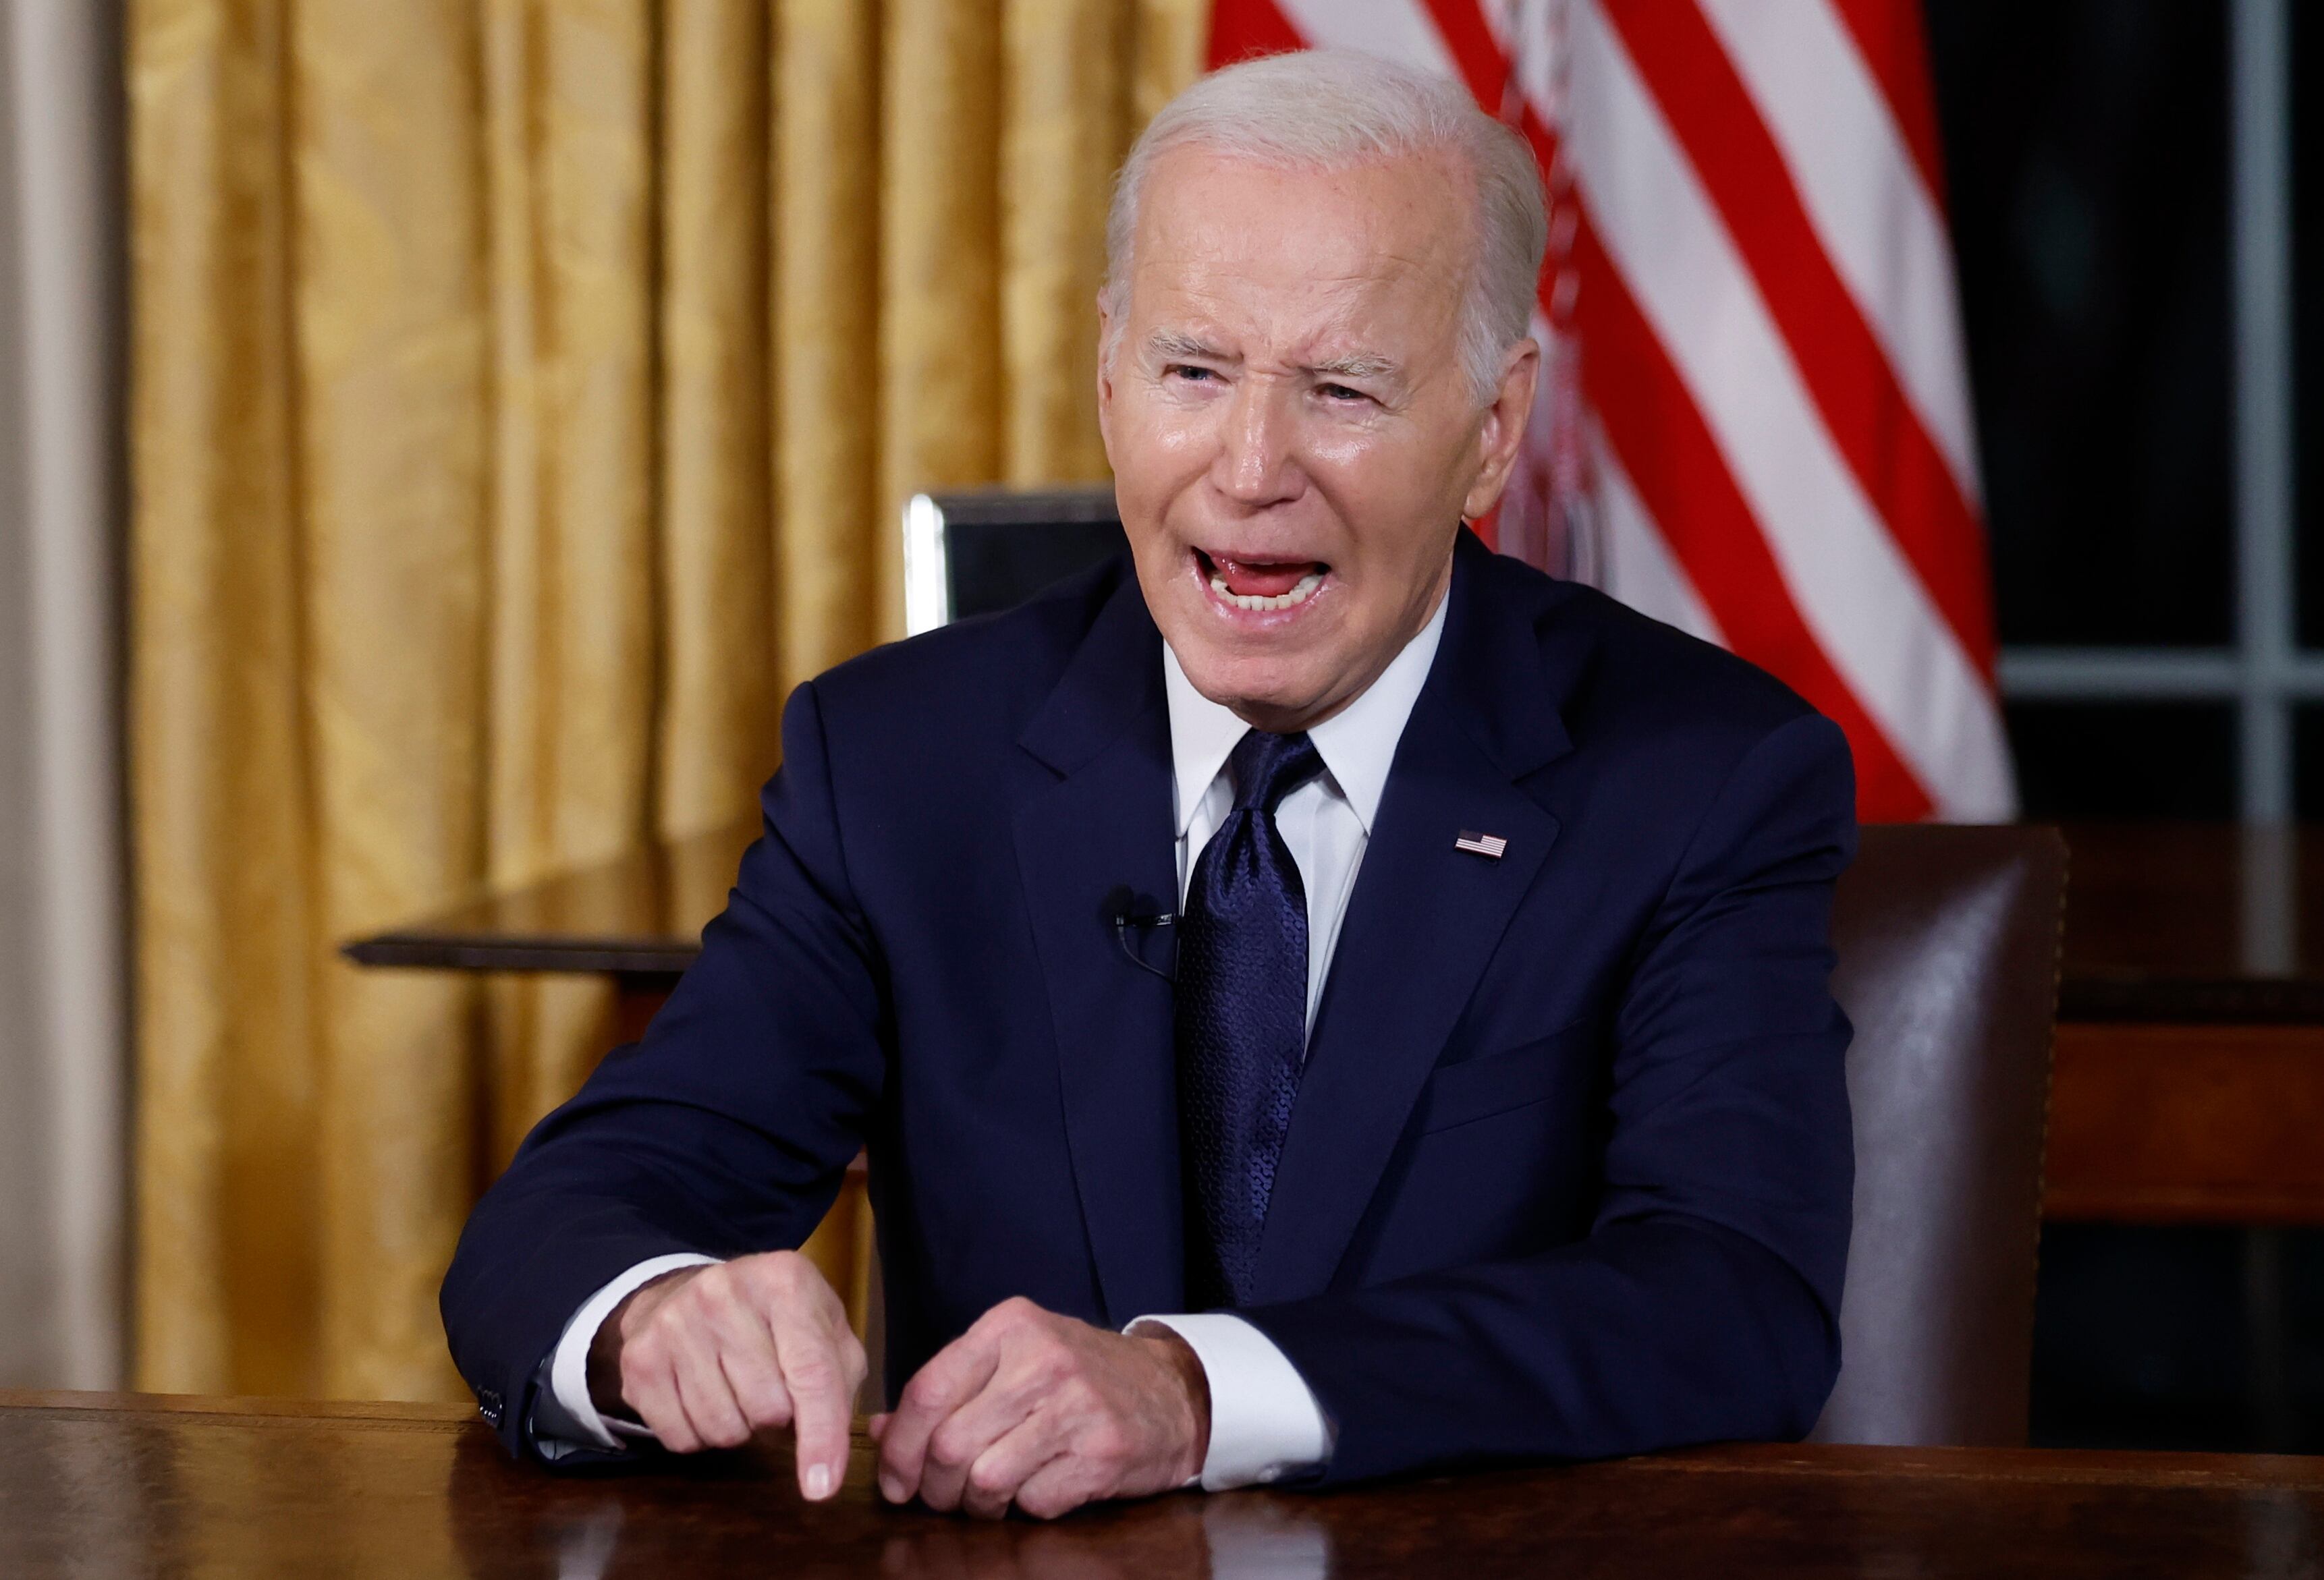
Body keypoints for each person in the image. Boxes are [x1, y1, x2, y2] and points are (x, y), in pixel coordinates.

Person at [441, 48, 1856, 1521]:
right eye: (1195, 372)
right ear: (1110, 378)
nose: (1250, 467)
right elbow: (576, 1210)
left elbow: (1729, 1295)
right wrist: (653, 1315)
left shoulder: (1700, 777)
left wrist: (1194, 1394)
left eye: (1342, 389)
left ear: (1493, 429)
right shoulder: (901, 763)